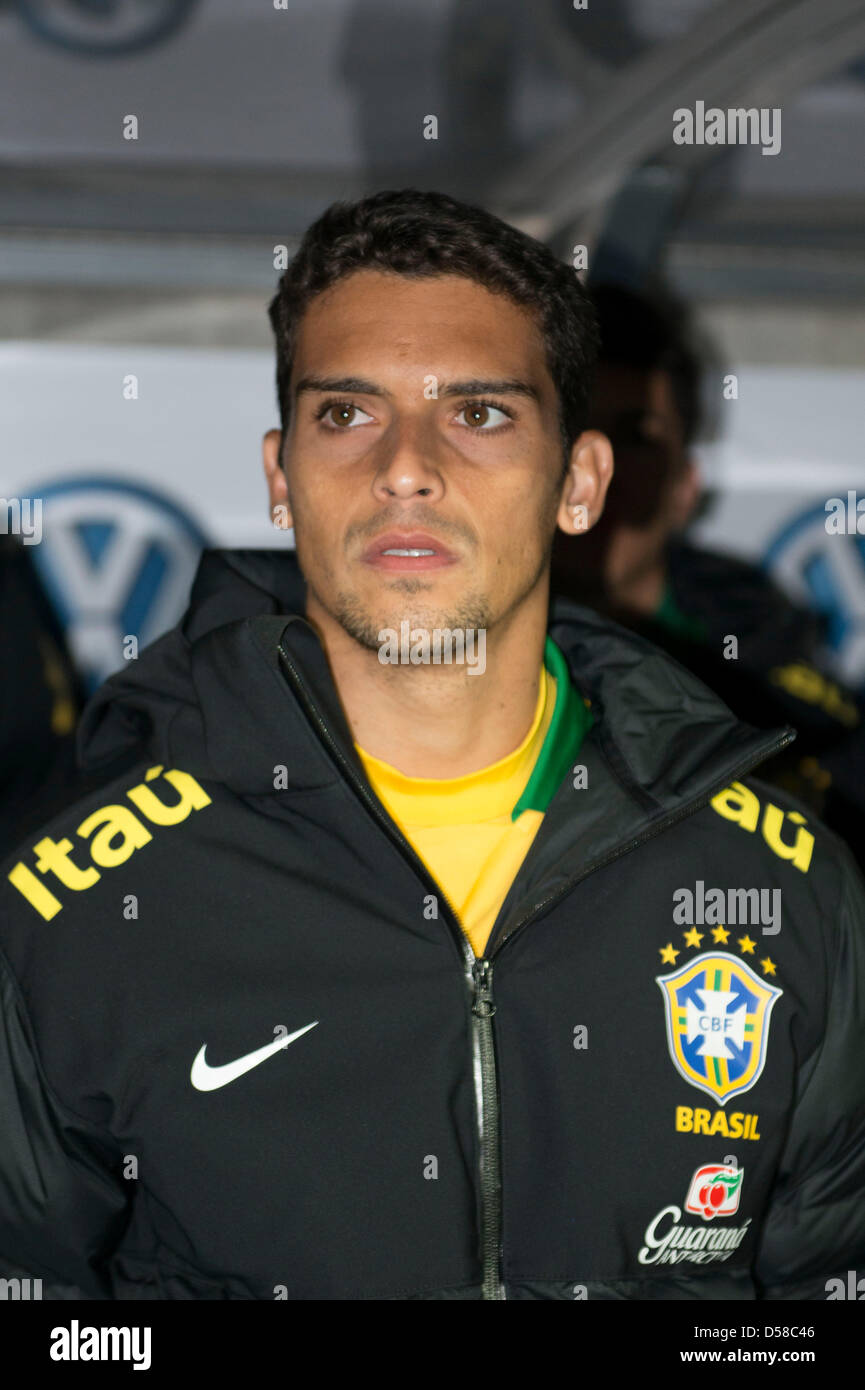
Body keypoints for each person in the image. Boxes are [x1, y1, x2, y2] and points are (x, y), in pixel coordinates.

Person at [0, 190, 863, 1301]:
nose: (405, 466)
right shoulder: (76, 902)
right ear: (279, 475)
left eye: (480, 414)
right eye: (347, 415)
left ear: (581, 482)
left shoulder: (786, 887)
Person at [551, 282, 865, 860]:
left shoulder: (775, 686)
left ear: (685, 487)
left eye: (636, 437)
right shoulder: (452, 648)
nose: (600, 469)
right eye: (574, 432)